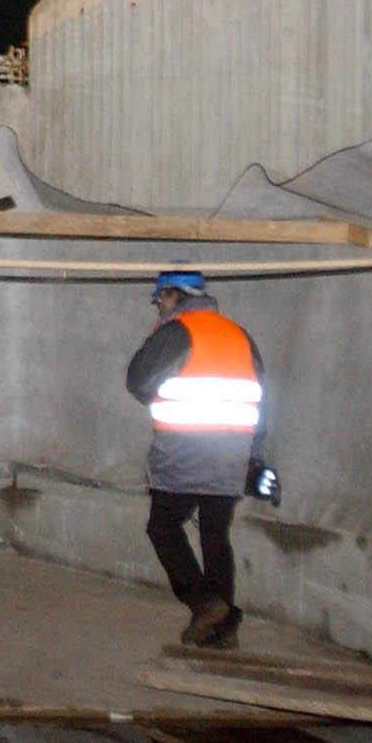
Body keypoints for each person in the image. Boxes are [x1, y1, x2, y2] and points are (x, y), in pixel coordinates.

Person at [126, 269, 269, 649]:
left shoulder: (176, 333)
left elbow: (138, 382)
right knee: (214, 536)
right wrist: (253, 459)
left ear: (173, 296)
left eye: (159, 300)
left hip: (185, 456)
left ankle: (206, 603)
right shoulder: (239, 335)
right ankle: (222, 628)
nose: (158, 307)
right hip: (231, 458)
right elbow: (261, 399)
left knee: (163, 528)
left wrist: (153, 340)